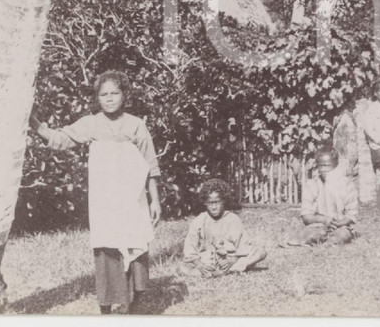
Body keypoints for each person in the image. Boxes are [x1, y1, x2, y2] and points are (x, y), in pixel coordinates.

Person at [30, 71, 161, 314]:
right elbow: (60, 139)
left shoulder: (136, 125)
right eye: (104, 94)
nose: (109, 98)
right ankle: (107, 306)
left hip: (133, 198)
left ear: (124, 95)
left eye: (115, 93)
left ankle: (135, 302)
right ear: (97, 98)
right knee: (106, 243)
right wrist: (32, 121)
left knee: (134, 239)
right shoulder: (91, 123)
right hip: (105, 199)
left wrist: (155, 201)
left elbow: (149, 164)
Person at [181, 179, 266, 277]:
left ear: (223, 201)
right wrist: (200, 264)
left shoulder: (233, 219)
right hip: (206, 263)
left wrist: (233, 260)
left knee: (261, 252)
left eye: (217, 202)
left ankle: (225, 271)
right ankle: (217, 272)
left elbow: (244, 245)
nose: (214, 207)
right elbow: (190, 248)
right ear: (205, 203)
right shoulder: (199, 221)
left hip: (229, 261)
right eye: (210, 203)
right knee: (182, 267)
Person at [290, 147, 359, 246]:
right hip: (317, 225)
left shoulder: (346, 184)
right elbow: (306, 216)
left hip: (340, 226)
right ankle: (318, 240)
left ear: (336, 165)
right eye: (321, 166)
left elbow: (351, 213)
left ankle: (328, 243)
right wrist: (323, 220)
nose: (324, 170)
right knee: (313, 234)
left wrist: (340, 222)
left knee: (343, 235)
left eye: (327, 166)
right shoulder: (311, 185)